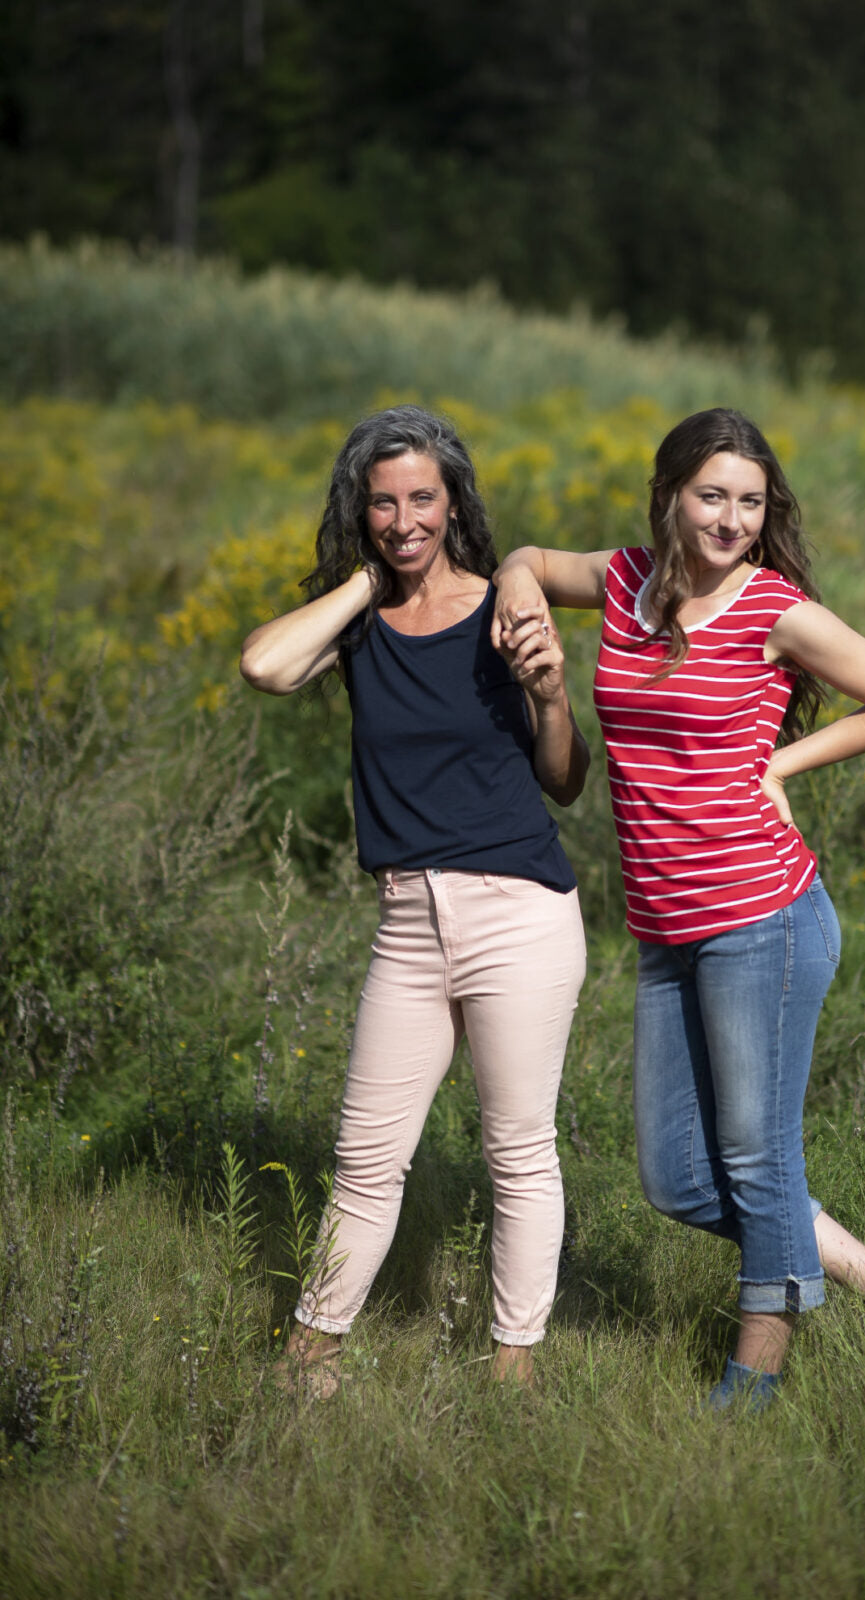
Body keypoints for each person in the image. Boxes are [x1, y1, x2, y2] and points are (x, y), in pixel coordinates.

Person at [491, 406, 865, 1411]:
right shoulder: (621, 582)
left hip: (763, 919)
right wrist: (517, 599)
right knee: (677, 1178)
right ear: (668, 494)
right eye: (711, 495)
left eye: (749, 502)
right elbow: (525, 555)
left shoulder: (771, 608)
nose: (729, 519)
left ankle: (752, 1377)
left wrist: (778, 763)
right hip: (665, 931)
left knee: (755, 1156)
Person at [240, 405, 588, 1394]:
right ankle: (312, 1353)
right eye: (381, 502)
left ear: (454, 501)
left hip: (517, 912)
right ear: (360, 510)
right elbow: (263, 664)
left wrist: (555, 696)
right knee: (364, 1153)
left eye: (422, 499)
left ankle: (511, 1370)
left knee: (517, 1152)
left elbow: (564, 781)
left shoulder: (503, 610)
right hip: (406, 919)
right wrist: (364, 575)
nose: (404, 520)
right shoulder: (357, 627)